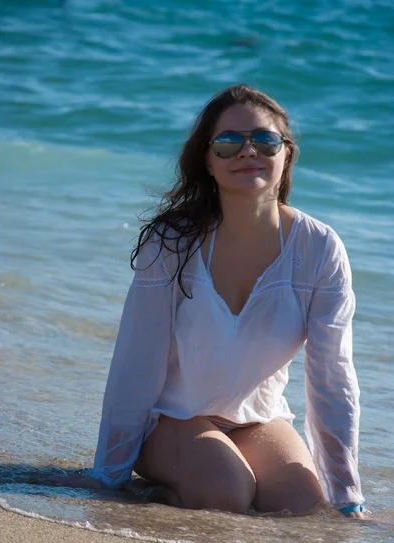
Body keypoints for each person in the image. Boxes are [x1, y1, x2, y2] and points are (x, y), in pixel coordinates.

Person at [57, 84, 365, 518]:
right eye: (227, 142)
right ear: (207, 159)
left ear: (286, 154)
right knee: (225, 492)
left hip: (258, 420)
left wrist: (347, 496)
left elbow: (332, 376)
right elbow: (136, 359)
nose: (247, 151)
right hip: (171, 420)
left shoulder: (320, 248)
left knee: (300, 505)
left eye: (264, 139)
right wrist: (108, 471)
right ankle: (158, 494)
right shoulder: (171, 242)